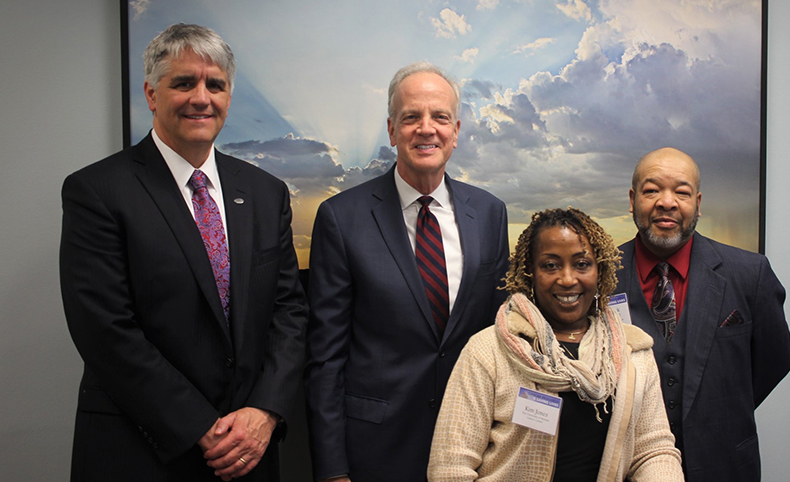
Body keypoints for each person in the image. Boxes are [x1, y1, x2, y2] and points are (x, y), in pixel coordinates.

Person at [60, 24, 308, 481]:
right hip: (143, 450)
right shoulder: (96, 191)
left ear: (229, 97)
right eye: (183, 83)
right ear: (152, 95)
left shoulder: (265, 193)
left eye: (215, 85)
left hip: (249, 451)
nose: (201, 97)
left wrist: (265, 410)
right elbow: (105, 330)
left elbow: (289, 312)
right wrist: (201, 427)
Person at [305, 62, 510, 482]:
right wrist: (332, 470)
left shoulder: (491, 213)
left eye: (439, 117)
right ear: (392, 129)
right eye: (411, 117)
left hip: (473, 445)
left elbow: (500, 336)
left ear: (456, 130)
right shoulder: (341, 218)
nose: (426, 129)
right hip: (376, 450)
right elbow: (325, 358)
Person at [428, 208, 684, 482]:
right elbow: (450, 467)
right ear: (530, 273)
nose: (567, 278)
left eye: (582, 264)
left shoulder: (633, 354)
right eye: (550, 265)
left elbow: (653, 450)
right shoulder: (487, 351)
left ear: (601, 270)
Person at [614, 147, 790, 480]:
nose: (666, 202)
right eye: (651, 190)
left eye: (681, 192)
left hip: (722, 465)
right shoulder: (600, 275)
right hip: (623, 467)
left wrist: (716, 412)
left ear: (697, 203)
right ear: (632, 199)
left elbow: (775, 361)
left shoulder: (749, 274)